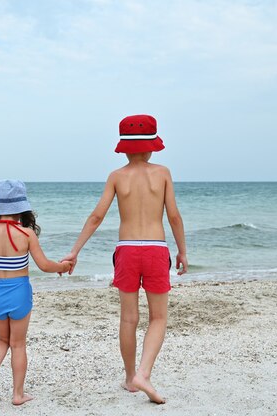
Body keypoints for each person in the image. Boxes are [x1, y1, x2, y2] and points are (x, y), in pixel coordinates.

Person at [61, 114, 188, 404]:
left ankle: (131, 378)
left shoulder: (117, 177)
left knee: (129, 318)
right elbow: (174, 216)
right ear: (152, 147)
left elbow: (97, 216)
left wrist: (75, 250)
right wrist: (182, 250)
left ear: (124, 147)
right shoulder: (163, 173)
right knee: (158, 317)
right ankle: (144, 373)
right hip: (156, 248)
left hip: (127, 250)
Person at [0, 180, 72, 409]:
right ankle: (17, 394)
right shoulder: (26, 234)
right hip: (20, 293)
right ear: (21, 208)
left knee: (1, 339)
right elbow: (44, 265)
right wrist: (63, 267)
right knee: (18, 344)